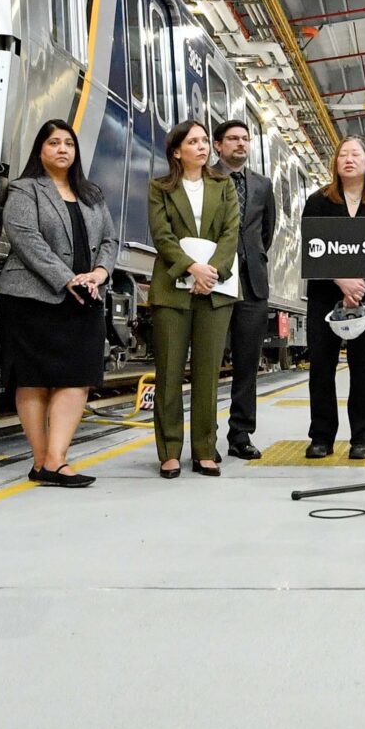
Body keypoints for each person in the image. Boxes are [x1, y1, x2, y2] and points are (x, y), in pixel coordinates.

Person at [0, 119, 118, 488]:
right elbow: (25, 238)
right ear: (40, 150)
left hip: (86, 296)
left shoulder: (92, 194)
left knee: (77, 378)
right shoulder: (24, 189)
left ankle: (56, 459)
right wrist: (66, 277)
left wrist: (98, 274)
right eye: (53, 143)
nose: (62, 149)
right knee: (33, 381)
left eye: (68, 143)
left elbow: (110, 240)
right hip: (32, 297)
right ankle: (41, 461)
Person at [146, 120, 240, 479]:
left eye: (204, 141)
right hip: (173, 288)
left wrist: (211, 272)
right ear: (176, 151)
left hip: (216, 290)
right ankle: (169, 450)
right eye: (194, 141)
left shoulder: (224, 186)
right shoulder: (160, 189)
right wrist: (191, 269)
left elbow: (232, 232)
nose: (202, 147)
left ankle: (204, 449)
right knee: (169, 371)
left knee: (208, 373)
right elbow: (162, 235)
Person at [300, 136, 365, 460]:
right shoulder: (318, 201)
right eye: (343, 155)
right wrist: (342, 281)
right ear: (335, 163)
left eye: (356, 154)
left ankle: (363, 438)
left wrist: (358, 289)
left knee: (363, 368)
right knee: (321, 367)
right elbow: (312, 246)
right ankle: (321, 437)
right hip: (325, 295)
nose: (349, 159)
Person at [215, 119, 279, 461]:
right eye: (233, 139)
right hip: (215, 280)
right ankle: (204, 435)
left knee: (247, 363)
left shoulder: (262, 184)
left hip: (253, 281)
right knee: (209, 363)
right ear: (218, 145)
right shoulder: (206, 177)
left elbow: (268, 229)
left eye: (245, 139)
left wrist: (251, 257)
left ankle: (240, 434)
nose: (240, 144)